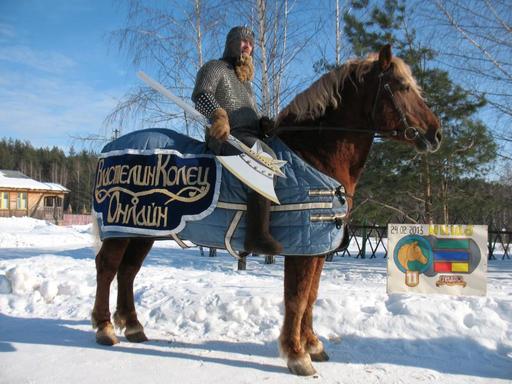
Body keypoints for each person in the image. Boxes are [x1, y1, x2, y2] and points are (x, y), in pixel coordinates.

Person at [192, 26, 282, 256]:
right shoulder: (215, 67)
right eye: (243, 41)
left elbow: (248, 113)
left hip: (248, 135)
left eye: (251, 44)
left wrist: (262, 123)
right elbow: (201, 94)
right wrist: (218, 115)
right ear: (232, 43)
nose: (248, 47)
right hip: (224, 135)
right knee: (262, 158)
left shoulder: (246, 83)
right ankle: (256, 235)